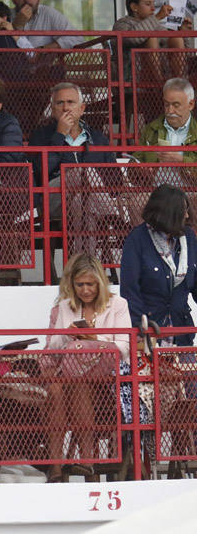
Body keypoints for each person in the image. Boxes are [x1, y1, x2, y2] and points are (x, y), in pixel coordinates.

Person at [45, 253, 132, 481]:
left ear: (100, 283)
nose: (85, 290)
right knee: (59, 389)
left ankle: (68, 465)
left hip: (107, 375)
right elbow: (52, 349)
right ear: (72, 285)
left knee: (72, 376)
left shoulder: (118, 304)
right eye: (80, 284)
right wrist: (67, 334)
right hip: (73, 376)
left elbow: (124, 348)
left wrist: (95, 338)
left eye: (90, 284)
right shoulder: (65, 306)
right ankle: (70, 465)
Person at [120, 184, 197, 346]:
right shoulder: (137, 239)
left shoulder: (189, 237)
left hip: (182, 331)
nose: (187, 215)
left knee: (186, 364)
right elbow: (129, 289)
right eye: (182, 211)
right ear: (168, 213)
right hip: (149, 332)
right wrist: (139, 326)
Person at [28, 83, 112, 215]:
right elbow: (40, 172)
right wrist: (59, 135)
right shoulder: (40, 136)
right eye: (60, 103)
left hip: (90, 201)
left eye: (70, 102)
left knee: (81, 200)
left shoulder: (99, 139)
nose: (65, 108)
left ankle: (103, 222)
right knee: (82, 171)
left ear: (81, 108)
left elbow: (114, 178)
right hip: (52, 200)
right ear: (52, 109)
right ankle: (111, 217)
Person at [113, 0, 186, 83]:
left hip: (164, 75)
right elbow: (131, 38)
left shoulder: (155, 25)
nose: (153, 8)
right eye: (148, 4)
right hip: (132, 79)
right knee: (151, 38)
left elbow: (185, 51)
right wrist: (157, 17)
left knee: (176, 39)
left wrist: (183, 32)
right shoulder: (122, 24)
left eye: (153, 4)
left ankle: (178, 83)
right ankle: (158, 83)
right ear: (134, 7)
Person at [9, 0, 82, 49]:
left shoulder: (48, 13)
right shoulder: (6, 16)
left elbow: (76, 39)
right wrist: (16, 25)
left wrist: (42, 50)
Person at [136, 78, 197, 163]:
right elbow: (135, 161)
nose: (170, 111)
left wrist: (181, 161)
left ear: (191, 105)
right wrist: (143, 169)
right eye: (166, 105)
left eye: (176, 105)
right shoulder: (151, 130)